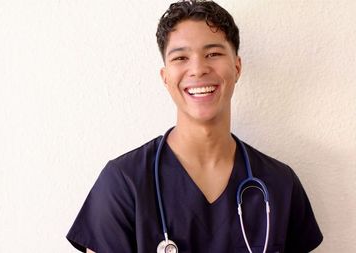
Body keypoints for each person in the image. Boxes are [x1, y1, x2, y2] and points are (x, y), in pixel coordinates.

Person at [66, 0, 323, 252]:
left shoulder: (279, 183)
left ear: (237, 67)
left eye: (213, 54)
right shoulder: (124, 182)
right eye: (180, 58)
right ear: (165, 77)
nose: (198, 69)